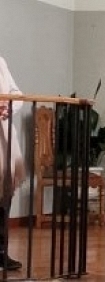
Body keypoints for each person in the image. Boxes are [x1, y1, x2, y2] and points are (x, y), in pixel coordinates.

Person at [0, 56, 25, 271]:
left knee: (4, 196)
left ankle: (1, 252)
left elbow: (17, 95)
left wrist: (8, 105)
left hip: (4, 140)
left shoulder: (0, 62)